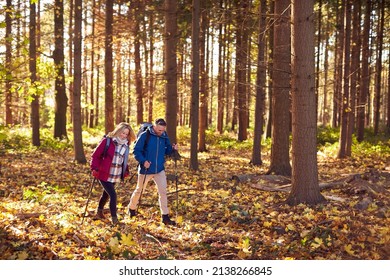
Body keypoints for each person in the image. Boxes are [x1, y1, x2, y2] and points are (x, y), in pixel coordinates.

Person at [127, 118, 178, 225]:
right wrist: (143, 161)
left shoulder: (164, 136)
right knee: (139, 191)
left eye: (163, 130)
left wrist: (173, 149)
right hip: (146, 169)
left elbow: (168, 151)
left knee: (163, 192)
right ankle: (131, 208)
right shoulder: (145, 135)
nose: (161, 132)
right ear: (154, 126)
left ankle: (165, 217)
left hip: (159, 169)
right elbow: (136, 151)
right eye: (159, 130)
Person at [90, 122, 136, 225]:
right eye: (122, 132)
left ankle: (99, 212)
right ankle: (114, 220)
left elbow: (122, 159)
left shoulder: (126, 145)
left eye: (126, 134)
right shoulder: (107, 141)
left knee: (106, 194)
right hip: (103, 173)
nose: (123, 135)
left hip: (116, 174)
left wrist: (126, 170)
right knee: (113, 195)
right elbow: (95, 155)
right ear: (118, 131)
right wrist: (94, 168)